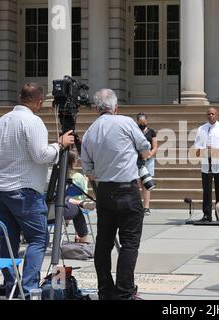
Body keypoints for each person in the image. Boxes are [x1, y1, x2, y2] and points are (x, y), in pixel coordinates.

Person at [0, 82, 74, 297]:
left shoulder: (0, 121)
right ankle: (28, 288)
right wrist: (60, 144)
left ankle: (12, 286)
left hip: (0, 189)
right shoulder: (33, 121)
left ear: (20, 97)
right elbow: (41, 155)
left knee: (9, 239)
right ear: (38, 101)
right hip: (24, 190)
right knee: (38, 239)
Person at [81, 89, 151, 300]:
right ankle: (124, 291)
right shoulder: (126, 122)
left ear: (96, 109)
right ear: (115, 107)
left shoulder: (90, 132)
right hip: (127, 189)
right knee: (129, 243)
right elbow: (145, 146)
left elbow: (88, 170)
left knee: (103, 244)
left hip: (104, 191)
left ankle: (105, 290)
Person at [194, 107, 219, 222]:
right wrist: (204, 149)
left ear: (217, 115)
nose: (211, 116)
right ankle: (207, 215)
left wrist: (216, 150)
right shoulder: (201, 129)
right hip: (206, 164)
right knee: (206, 190)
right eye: (209, 114)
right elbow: (196, 145)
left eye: (213, 114)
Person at [64, 150, 95, 243]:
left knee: (71, 204)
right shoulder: (78, 176)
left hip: (58, 206)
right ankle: (80, 236)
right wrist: (85, 181)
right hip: (75, 203)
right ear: (74, 162)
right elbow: (84, 192)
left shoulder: (56, 176)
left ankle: (68, 220)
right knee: (78, 210)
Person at [136, 113, 158, 215]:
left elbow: (155, 147)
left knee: (146, 184)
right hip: (136, 161)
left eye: (144, 122)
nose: (142, 124)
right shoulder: (135, 131)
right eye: (140, 123)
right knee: (136, 183)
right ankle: (137, 204)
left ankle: (146, 207)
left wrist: (148, 156)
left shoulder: (152, 132)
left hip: (148, 161)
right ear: (137, 122)